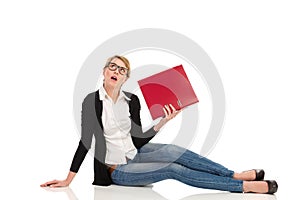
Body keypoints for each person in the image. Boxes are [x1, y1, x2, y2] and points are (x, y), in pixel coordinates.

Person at [41, 55, 278, 194]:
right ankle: (243, 187)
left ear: (126, 78)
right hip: (118, 170)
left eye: (122, 70)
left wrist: (162, 122)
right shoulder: (91, 101)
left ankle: (233, 174)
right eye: (112, 67)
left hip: (135, 153)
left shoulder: (131, 101)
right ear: (104, 72)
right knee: (172, 169)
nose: (116, 71)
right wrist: (68, 179)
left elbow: (137, 139)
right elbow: (85, 142)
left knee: (176, 152)